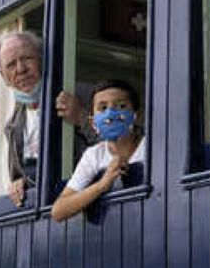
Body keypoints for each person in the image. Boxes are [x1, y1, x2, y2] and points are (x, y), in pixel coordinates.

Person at [0, 30, 94, 207]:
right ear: (4, 77)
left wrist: (82, 118)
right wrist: (19, 184)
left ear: (42, 59)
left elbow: (121, 146)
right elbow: (20, 177)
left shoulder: (83, 95)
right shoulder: (12, 126)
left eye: (27, 58)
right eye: (11, 65)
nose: (21, 69)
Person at [51, 80, 147, 222]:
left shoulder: (150, 146)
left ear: (136, 115)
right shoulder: (94, 155)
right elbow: (59, 211)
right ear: (93, 123)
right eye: (103, 108)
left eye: (121, 106)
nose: (110, 113)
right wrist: (103, 184)